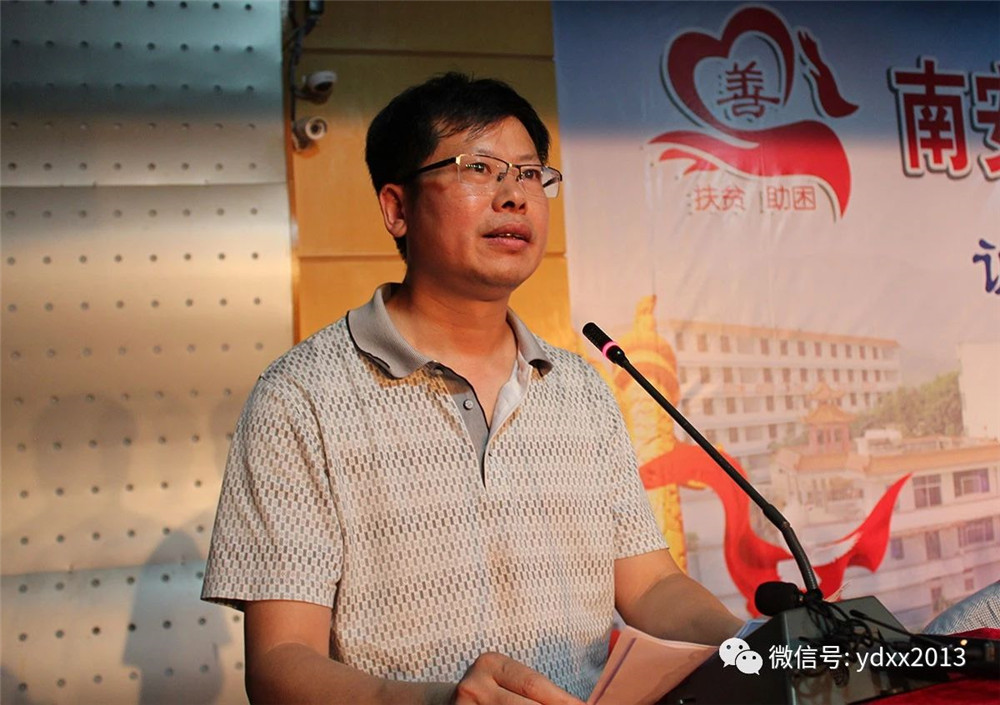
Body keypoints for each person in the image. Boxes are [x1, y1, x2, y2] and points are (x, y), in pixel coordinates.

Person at [202, 72, 742, 705]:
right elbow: (280, 663)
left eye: (530, 174)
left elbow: (650, 586)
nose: (514, 196)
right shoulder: (301, 397)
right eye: (478, 169)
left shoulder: (579, 390)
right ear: (397, 209)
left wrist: (761, 647)